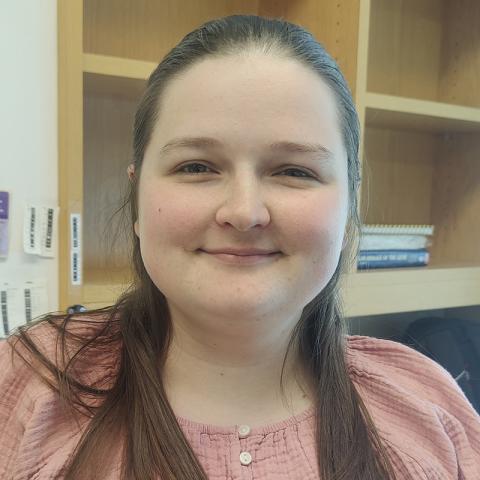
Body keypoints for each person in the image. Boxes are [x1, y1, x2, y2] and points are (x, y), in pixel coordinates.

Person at [1, 14, 479, 480]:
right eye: (196, 167)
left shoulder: (429, 407)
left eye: (294, 171)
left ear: (349, 208)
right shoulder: (29, 384)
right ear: (137, 200)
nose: (245, 212)